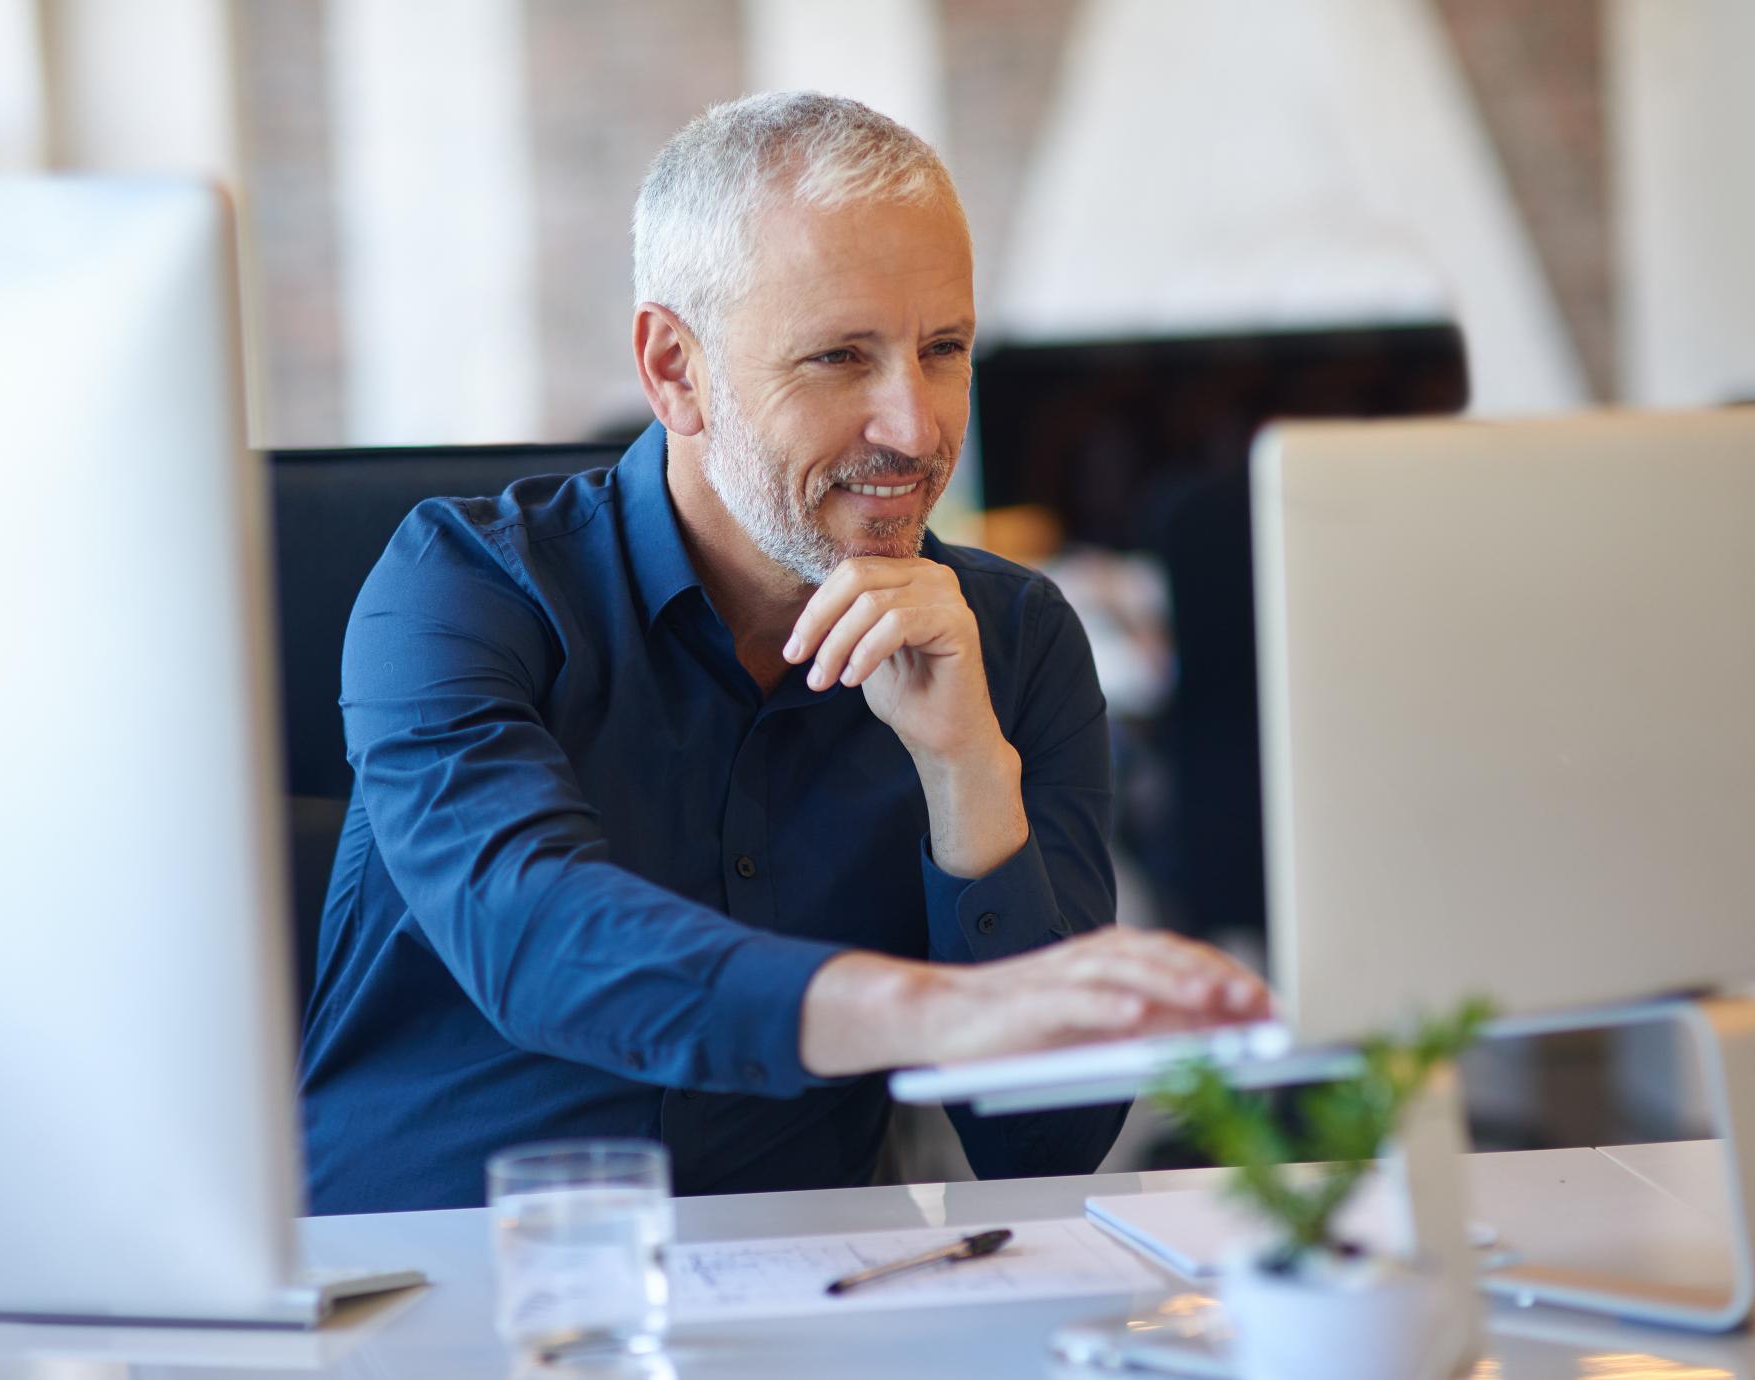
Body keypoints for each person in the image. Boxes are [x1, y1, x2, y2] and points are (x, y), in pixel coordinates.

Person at [298, 92, 1265, 1213]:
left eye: (941, 349)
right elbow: (538, 938)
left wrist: (964, 770)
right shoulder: (461, 589)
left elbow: (1042, 1145)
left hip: (815, 1292)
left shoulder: (1007, 638)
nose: (913, 427)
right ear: (674, 369)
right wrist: (937, 1014)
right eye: (838, 358)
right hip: (438, 1280)